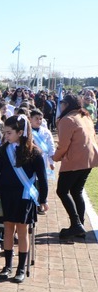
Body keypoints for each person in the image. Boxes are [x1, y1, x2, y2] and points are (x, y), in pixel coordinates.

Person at [0, 115, 48, 283]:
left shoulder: (34, 152)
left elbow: (42, 179)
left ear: (20, 132)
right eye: (5, 133)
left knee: (22, 232)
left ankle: (21, 268)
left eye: (9, 133)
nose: (6, 136)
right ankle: (7, 266)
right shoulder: (3, 150)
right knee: (7, 229)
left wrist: (43, 199)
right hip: (7, 195)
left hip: (25, 196)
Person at [53, 94, 98, 239]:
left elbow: (63, 146)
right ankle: (79, 226)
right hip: (89, 159)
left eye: (62, 103)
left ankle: (76, 224)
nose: (60, 106)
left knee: (62, 191)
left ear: (67, 104)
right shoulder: (85, 116)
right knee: (76, 191)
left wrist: (54, 158)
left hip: (75, 160)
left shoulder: (67, 120)